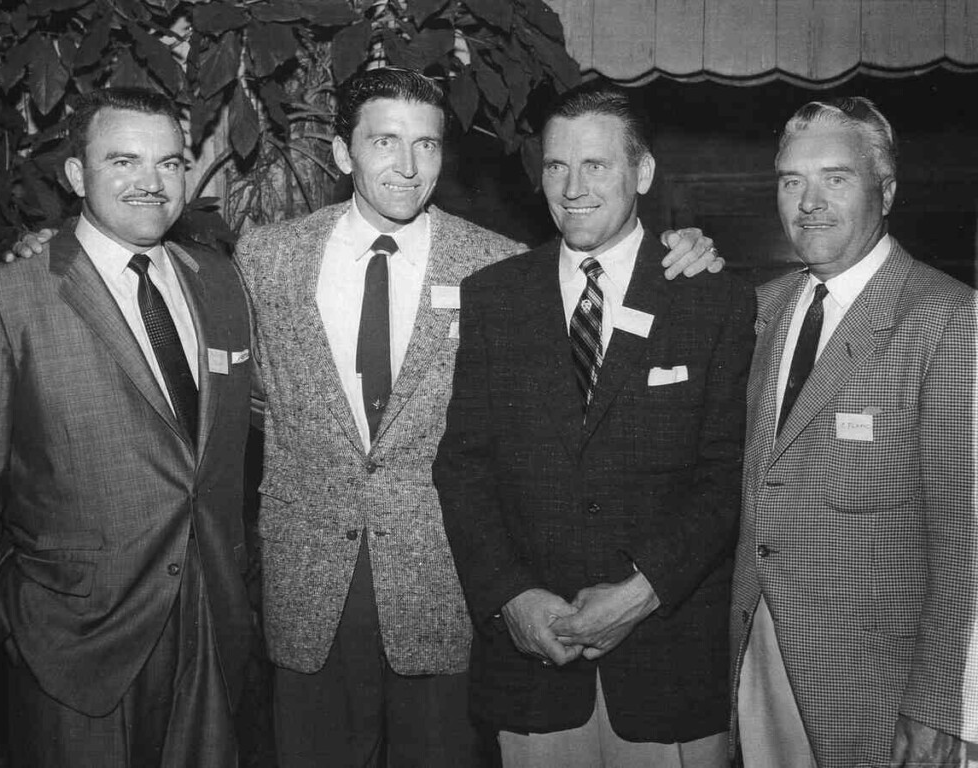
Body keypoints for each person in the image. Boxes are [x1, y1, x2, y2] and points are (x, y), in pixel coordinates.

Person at [234, 68, 722, 766]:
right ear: (344, 154)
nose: (407, 167)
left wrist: (681, 247)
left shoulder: (495, 265)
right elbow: (243, 397)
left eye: (427, 145)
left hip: (445, 593)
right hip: (307, 593)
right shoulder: (266, 258)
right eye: (385, 142)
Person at [432, 82, 755, 768]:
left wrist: (641, 594)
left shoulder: (712, 297)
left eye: (596, 165)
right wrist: (511, 598)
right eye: (555, 165)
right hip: (534, 667)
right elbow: (464, 465)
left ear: (641, 173)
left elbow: (726, 475)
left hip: (667, 666)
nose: (572, 187)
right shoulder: (495, 296)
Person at [0, 87, 255, 768]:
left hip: (212, 626)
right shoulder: (7, 298)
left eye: (170, 163)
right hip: (72, 649)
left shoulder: (220, 284)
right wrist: (14, 626)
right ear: (76, 176)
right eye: (124, 161)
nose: (151, 183)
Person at [729, 97, 977, 768]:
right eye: (791, 181)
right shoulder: (761, 309)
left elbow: (966, 538)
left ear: (886, 190)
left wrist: (942, 706)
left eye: (835, 178)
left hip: (880, 688)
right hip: (759, 665)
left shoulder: (949, 320)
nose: (809, 201)